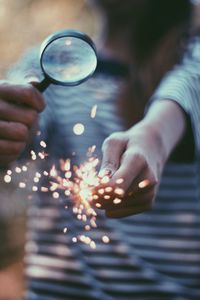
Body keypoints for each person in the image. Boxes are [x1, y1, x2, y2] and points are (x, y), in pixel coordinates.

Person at [0, 0, 200, 299]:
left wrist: (153, 141)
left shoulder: (190, 58)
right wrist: (11, 126)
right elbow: (23, 121)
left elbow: (183, 94)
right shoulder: (44, 63)